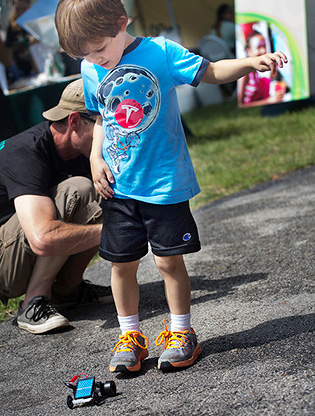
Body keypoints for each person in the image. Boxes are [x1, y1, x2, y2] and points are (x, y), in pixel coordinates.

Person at [55, 0, 287, 373]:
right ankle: (131, 337)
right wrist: (95, 157)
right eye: (85, 54)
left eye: (99, 49)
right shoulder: (90, 67)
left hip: (163, 183)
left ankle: (181, 332)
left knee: (167, 261)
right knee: (121, 265)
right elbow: (100, 116)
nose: (95, 60)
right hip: (119, 186)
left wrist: (248, 63)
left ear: (121, 23)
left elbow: (210, 71)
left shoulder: (159, 52)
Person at [0, 78, 113, 334]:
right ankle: (33, 303)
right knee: (79, 190)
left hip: (16, 249)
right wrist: (115, 231)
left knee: (104, 191)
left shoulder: (85, 152)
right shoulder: (25, 152)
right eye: (101, 124)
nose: (109, 133)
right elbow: (43, 239)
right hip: (3, 264)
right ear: (74, 121)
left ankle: (67, 289)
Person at [238, 30, 286, 107]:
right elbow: (241, 105)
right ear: (248, 51)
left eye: (264, 46)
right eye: (259, 47)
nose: (263, 51)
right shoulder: (244, 74)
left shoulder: (255, 73)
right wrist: (268, 101)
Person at [5, 0, 37, 83]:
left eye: (23, 9)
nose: (20, 12)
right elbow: (8, 51)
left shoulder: (34, 24)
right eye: (17, 9)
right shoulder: (12, 28)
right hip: (21, 70)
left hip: (37, 67)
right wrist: (14, 69)